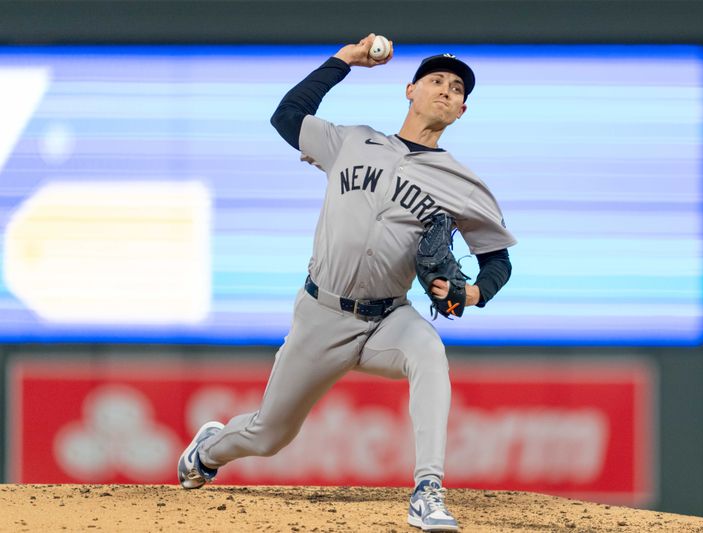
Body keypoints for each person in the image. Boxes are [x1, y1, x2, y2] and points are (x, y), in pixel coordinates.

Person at [178, 34, 516, 532]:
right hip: (322, 314)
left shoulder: (462, 183)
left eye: (457, 88)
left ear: (462, 111)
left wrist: (470, 293)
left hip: (389, 319)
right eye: (437, 80)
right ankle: (209, 450)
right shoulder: (352, 140)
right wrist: (342, 62)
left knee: (429, 354)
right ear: (410, 90)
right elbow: (287, 117)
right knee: (269, 435)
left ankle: (428, 489)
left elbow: (497, 261)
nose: (447, 90)